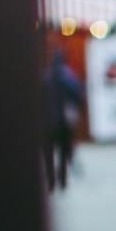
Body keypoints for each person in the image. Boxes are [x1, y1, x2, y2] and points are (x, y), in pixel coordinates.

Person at [42, 49, 83, 192]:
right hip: (63, 122)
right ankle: (63, 179)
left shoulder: (45, 77)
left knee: (49, 154)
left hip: (46, 122)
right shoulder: (67, 76)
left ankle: (51, 180)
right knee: (63, 151)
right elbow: (78, 93)